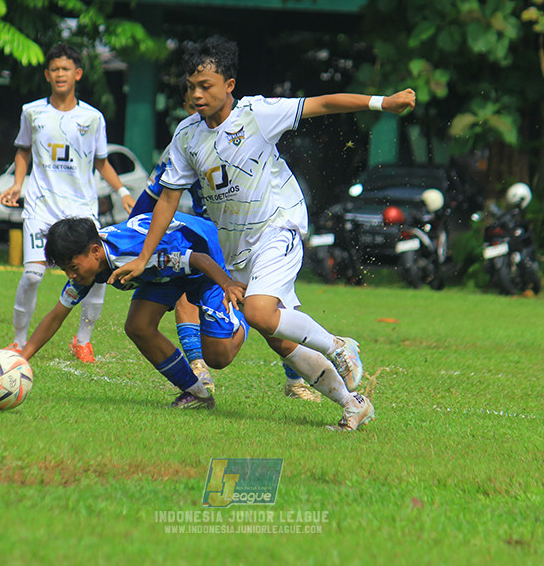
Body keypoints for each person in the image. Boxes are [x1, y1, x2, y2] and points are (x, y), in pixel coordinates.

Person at [111, 35, 417, 431]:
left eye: (206, 86)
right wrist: (141, 256)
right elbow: (168, 201)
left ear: (229, 86)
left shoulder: (256, 114)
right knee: (279, 337)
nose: (197, 94)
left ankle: (339, 346)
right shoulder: (186, 136)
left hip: (280, 226)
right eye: (191, 87)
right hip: (238, 250)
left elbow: (322, 104)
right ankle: (353, 403)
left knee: (258, 312)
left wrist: (383, 103)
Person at [133, 116, 321, 401]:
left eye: (204, 90)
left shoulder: (240, 136)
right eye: (192, 94)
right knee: (188, 289)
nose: (198, 102)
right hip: (206, 235)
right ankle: (198, 367)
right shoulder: (181, 145)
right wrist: (136, 234)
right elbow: (153, 195)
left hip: (249, 237)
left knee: (274, 308)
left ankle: (296, 380)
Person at [18, 214, 249, 409]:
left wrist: (227, 284)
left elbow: (198, 259)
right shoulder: (88, 267)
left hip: (202, 257)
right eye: (66, 269)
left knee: (218, 357)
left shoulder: (131, 254)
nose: (71, 275)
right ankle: (197, 393)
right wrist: (21, 360)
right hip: (164, 271)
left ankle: (247, 315)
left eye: (73, 268)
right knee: (138, 327)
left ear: (95, 251)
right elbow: (56, 315)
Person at [0, 43, 135, 363]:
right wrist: (17, 185)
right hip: (41, 207)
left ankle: (82, 341)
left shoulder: (93, 117)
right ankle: (18, 342)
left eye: (66, 69)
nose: (60, 74)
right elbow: (23, 151)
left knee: (98, 273)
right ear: (47, 75)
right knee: (32, 275)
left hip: (81, 210)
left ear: (78, 74)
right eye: (55, 69)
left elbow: (102, 162)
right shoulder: (32, 112)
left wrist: (123, 192)